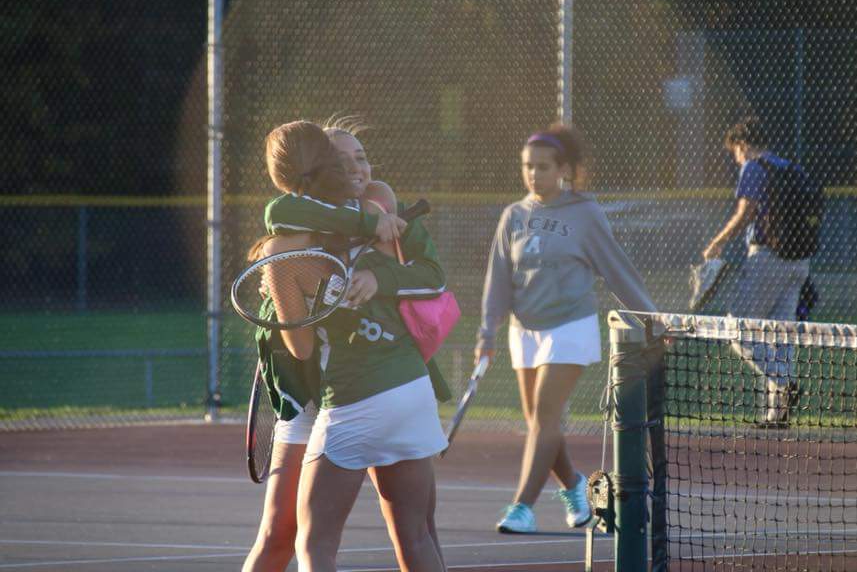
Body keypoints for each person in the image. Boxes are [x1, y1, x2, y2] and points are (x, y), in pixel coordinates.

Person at [243, 119, 448, 571]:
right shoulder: (294, 234)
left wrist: (378, 276)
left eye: (362, 156)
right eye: (342, 159)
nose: (356, 167)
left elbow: (431, 276)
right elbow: (282, 215)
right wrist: (279, 294)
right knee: (281, 534)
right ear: (319, 168)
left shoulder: (379, 204)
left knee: (408, 530)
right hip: (312, 395)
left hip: (361, 388)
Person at [476, 123, 658, 534]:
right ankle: (576, 488)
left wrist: (650, 317)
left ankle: (522, 507)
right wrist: (486, 333)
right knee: (541, 424)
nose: (533, 174)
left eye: (542, 167)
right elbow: (497, 279)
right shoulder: (513, 215)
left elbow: (616, 270)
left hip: (570, 327)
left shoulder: (585, 214)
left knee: (544, 417)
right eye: (527, 166)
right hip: (524, 331)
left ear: (563, 170)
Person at [702, 116, 811, 427]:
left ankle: (784, 384)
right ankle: (777, 414)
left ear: (743, 145)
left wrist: (718, 241)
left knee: (737, 329)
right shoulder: (790, 167)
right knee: (780, 336)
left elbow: (745, 211)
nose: (736, 159)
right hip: (799, 261)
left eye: (735, 152)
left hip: (767, 257)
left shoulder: (753, 166)